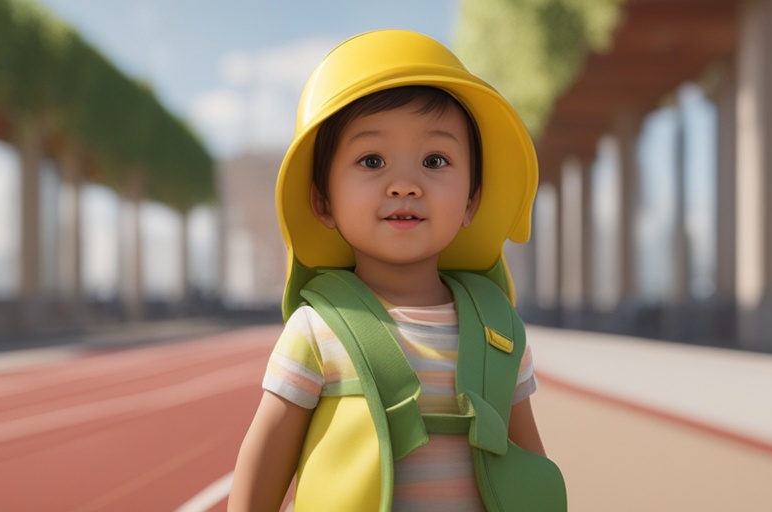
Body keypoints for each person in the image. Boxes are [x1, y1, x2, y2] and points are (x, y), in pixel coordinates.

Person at [229, 29, 546, 511]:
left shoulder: (497, 329)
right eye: (371, 160)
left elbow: (527, 457)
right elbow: (265, 461)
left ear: (472, 200)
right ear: (323, 201)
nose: (404, 184)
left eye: (435, 160)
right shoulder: (316, 330)